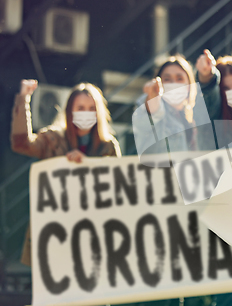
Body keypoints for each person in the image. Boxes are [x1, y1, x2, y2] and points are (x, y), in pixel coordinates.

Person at [11, 80, 121, 266]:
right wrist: (23, 99)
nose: (86, 113)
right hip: (54, 233)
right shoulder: (52, 139)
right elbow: (21, 144)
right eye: (80, 108)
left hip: (94, 237)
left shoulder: (108, 146)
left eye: (91, 108)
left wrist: (86, 165)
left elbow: (117, 187)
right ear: (70, 111)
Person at [133, 55, 202, 156]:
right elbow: (149, 117)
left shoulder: (192, 117)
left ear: (189, 85)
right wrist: (152, 98)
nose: (173, 83)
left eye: (179, 78)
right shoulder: (157, 109)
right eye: (167, 79)